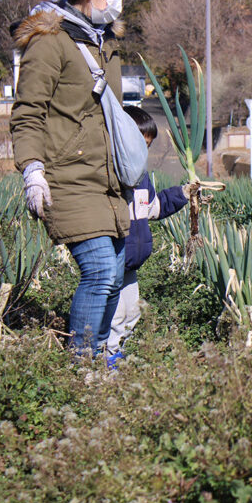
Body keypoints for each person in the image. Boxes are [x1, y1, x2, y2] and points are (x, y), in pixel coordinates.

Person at [10, 0, 130, 359]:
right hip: (67, 175)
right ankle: (80, 363)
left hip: (107, 179)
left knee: (114, 274)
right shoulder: (50, 42)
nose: (119, 2)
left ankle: (99, 355)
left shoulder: (105, 41)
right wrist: (33, 170)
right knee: (98, 270)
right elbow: (28, 113)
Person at [104, 106, 190, 367]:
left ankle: (119, 356)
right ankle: (107, 360)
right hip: (114, 261)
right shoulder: (111, 179)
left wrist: (183, 194)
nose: (142, 153)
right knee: (115, 316)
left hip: (132, 264)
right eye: (138, 145)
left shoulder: (141, 178)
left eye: (147, 147)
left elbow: (152, 209)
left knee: (132, 314)